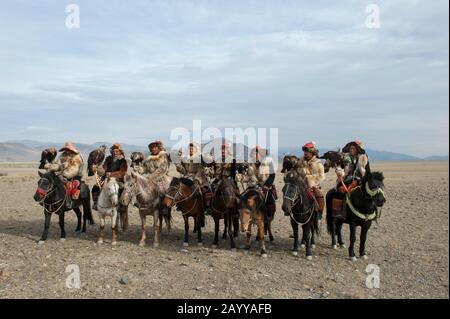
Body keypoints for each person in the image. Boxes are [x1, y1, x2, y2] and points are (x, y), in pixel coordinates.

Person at [326, 140, 369, 215]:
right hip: (346, 180)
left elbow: (367, 171)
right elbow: (341, 167)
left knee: (370, 193)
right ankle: (337, 212)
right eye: (350, 148)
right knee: (340, 191)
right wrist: (339, 171)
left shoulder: (363, 158)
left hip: (360, 180)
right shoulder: (344, 157)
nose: (351, 150)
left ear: (358, 150)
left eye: (354, 148)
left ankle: (370, 211)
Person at [288, 141, 326, 217]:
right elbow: (296, 169)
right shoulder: (300, 161)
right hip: (300, 184)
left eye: (307, 151)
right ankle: (288, 209)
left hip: (313, 186)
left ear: (312, 153)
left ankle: (319, 213)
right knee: (289, 192)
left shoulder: (318, 163)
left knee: (319, 195)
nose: (305, 153)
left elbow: (322, 176)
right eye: (304, 151)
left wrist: (309, 179)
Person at [45, 142, 84, 209]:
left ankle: (69, 201)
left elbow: (74, 169)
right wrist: (50, 167)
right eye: (66, 148)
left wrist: (63, 174)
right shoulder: (63, 155)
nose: (66, 150)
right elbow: (58, 165)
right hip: (63, 173)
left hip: (76, 175)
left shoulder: (77, 156)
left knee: (67, 185)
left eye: (68, 149)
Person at [176, 143, 213, 213]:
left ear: (196, 149)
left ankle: (207, 206)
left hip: (199, 177)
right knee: (178, 188)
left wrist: (196, 178)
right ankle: (180, 205)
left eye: (193, 148)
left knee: (206, 190)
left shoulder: (199, 158)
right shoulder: (185, 158)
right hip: (187, 176)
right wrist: (178, 166)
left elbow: (200, 169)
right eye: (189, 148)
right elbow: (183, 170)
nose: (191, 150)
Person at [92, 143, 128, 213]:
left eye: (117, 151)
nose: (115, 153)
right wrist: (96, 169)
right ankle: (96, 203)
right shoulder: (108, 158)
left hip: (118, 179)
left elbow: (123, 172)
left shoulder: (123, 161)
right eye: (114, 151)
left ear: (120, 152)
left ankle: (122, 206)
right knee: (95, 187)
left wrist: (111, 174)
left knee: (122, 188)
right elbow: (104, 168)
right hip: (106, 178)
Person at [245, 146, 277, 219]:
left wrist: (266, 185)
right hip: (253, 185)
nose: (254, 154)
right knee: (243, 198)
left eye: (256, 153)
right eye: (253, 153)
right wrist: (242, 178)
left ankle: (269, 215)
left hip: (265, 185)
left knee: (270, 200)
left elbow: (272, 175)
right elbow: (248, 176)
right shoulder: (249, 164)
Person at [140, 140, 171, 215]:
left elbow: (162, 170)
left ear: (159, 148)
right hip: (150, 178)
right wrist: (139, 170)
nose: (153, 149)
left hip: (162, 177)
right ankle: (141, 204)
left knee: (162, 190)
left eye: (155, 147)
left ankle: (164, 207)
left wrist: (150, 177)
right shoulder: (149, 158)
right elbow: (145, 168)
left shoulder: (164, 156)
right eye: (152, 147)